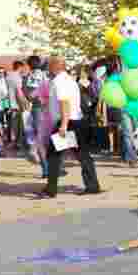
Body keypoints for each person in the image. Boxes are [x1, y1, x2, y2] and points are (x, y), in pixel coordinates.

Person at [39, 56, 101, 198]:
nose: (48, 68)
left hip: (67, 122)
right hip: (75, 121)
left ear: (55, 66)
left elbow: (64, 102)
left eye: (49, 65)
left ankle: (51, 189)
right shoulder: (70, 80)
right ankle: (92, 185)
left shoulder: (59, 81)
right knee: (83, 155)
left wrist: (64, 125)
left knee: (53, 156)